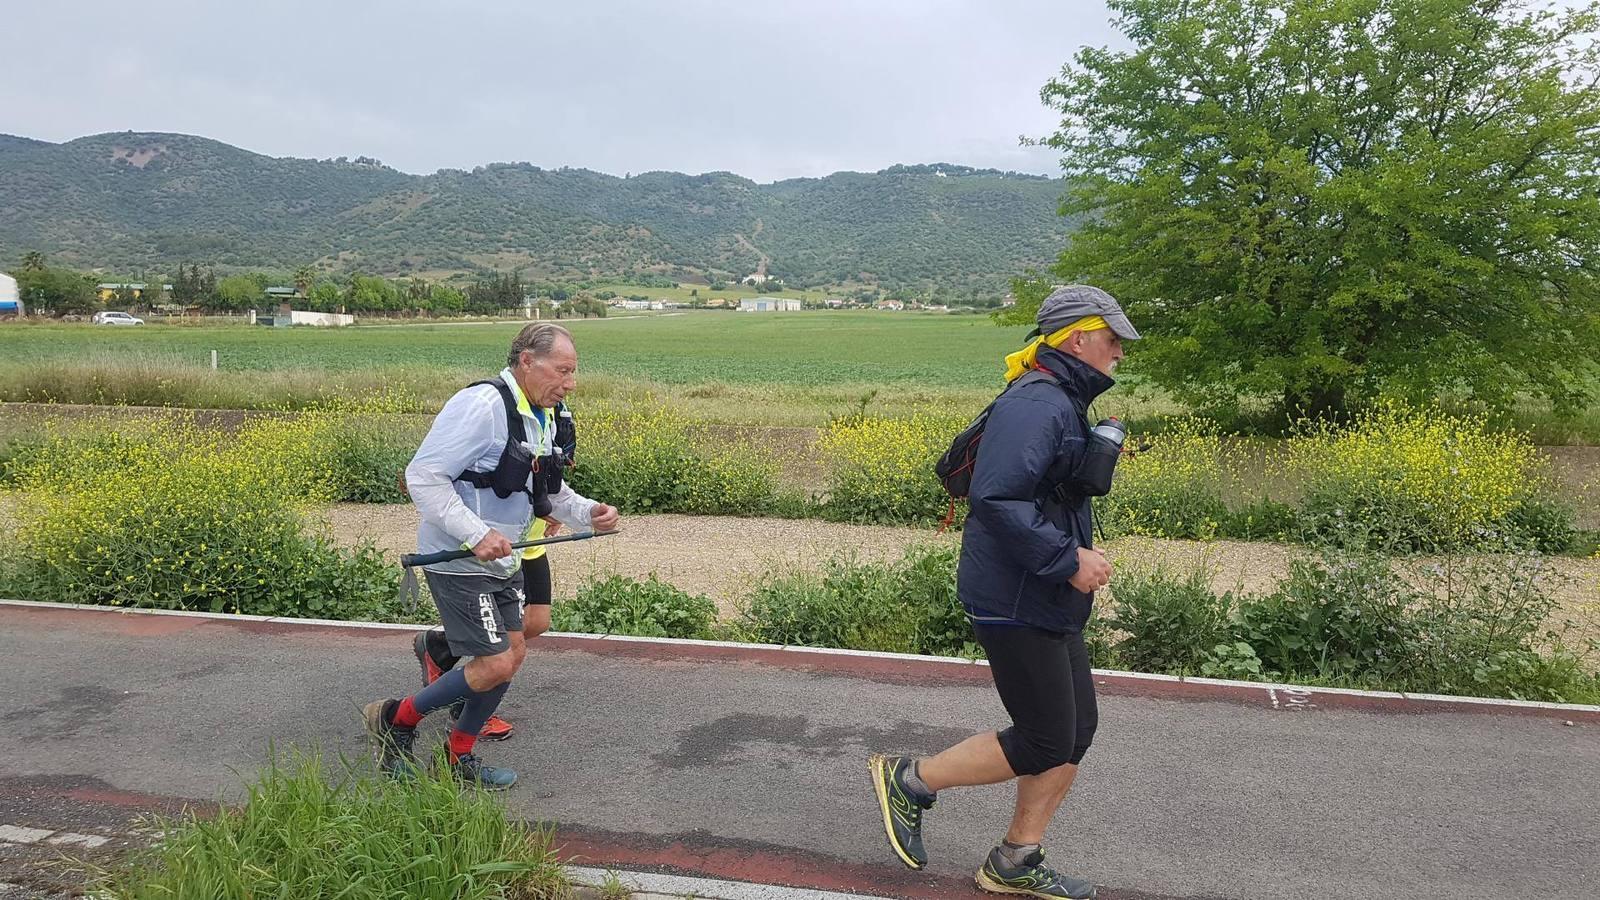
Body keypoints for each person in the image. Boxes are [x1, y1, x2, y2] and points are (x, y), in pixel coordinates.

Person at [869, 285, 1138, 899]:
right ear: (1079, 338)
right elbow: (996, 497)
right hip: (1016, 594)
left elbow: (1041, 491)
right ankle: (911, 780)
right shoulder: (1039, 402)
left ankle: (1017, 859)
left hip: (1043, 592)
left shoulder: (1063, 400)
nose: (1120, 350)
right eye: (1113, 338)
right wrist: (1067, 557)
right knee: (1045, 735)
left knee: (1074, 732)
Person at [365, 322, 619, 789]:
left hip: (505, 560)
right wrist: (476, 533)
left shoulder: (544, 415)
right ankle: (395, 720)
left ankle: (456, 757)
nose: (570, 383)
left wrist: (590, 513)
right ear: (527, 360)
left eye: (573, 372)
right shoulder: (481, 406)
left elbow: (550, 490)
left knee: (512, 655)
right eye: (562, 371)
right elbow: (422, 477)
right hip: (459, 560)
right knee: (497, 663)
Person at [409, 400, 578, 742]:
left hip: (523, 542)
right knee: (499, 654)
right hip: (490, 545)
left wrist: (552, 504)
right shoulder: (492, 409)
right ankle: (462, 706)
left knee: (536, 623)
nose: (568, 381)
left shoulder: (555, 413)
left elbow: (549, 477)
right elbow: (430, 476)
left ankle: (441, 647)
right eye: (562, 370)